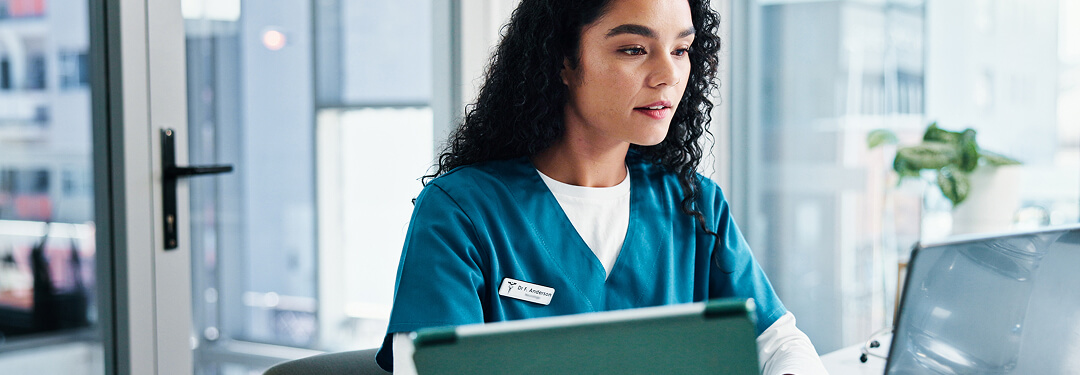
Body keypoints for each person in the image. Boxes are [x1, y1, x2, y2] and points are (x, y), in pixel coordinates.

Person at [376, 0, 827, 373]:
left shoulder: (695, 204)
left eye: (681, 49)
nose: (668, 75)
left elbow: (779, 343)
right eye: (634, 49)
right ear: (564, 61)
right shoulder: (462, 213)